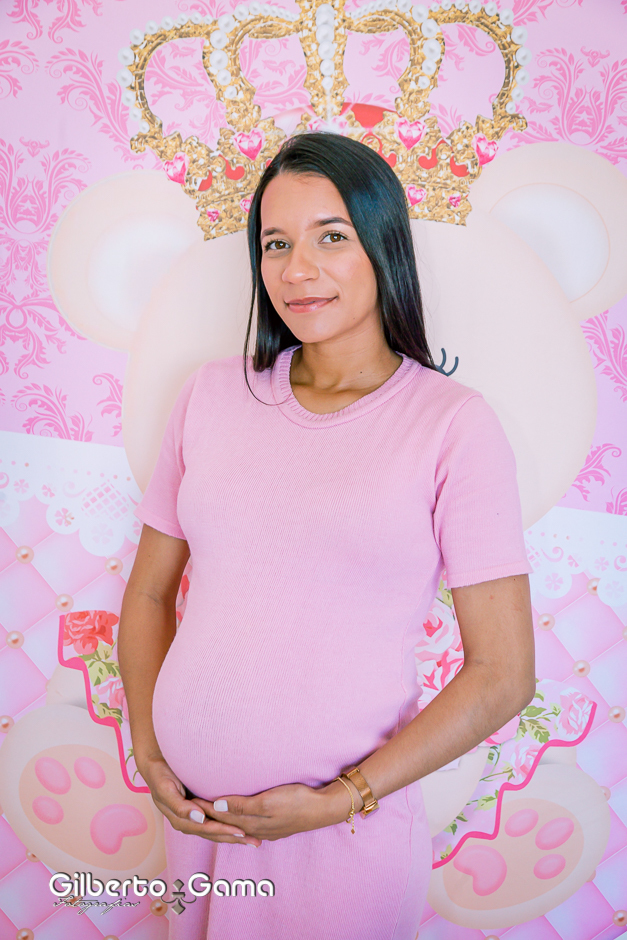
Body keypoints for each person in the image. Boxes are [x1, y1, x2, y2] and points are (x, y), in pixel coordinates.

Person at [117, 131, 535, 940]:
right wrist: (150, 752)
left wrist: (344, 798)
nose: (296, 270)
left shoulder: (450, 426)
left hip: (342, 839)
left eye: (330, 237)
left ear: (382, 245)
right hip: (196, 825)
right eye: (275, 243)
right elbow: (147, 594)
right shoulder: (210, 396)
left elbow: (503, 673)